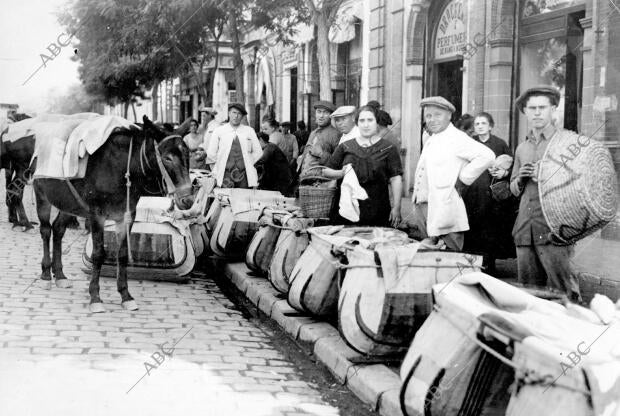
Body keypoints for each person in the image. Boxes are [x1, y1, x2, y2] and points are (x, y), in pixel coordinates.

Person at [510, 86, 581, 301]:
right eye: (532, 108)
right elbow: (513, 189)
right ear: (525, 112)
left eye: (542, 107)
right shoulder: (522, 148)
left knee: (565, 293)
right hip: (525, 228)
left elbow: (580, 186)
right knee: (529, 297)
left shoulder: (568, 142)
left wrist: (547, 174)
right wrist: (520, 178)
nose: (537, 113)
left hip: (554, 229)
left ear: (553, 110)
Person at [411, 96, 495, 251]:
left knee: (450, 255)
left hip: (445, 206)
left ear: (449, 116)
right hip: (425, 204)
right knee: (432, 256)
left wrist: (463, 179)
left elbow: (487, 156)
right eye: (428, 116)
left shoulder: (457, 138)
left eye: (438, 115)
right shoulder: (431, 137)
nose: (432, 120)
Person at [321, 106, 402, 227]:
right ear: (357, 123)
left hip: (378, 208)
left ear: (377, 122)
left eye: (370, 120)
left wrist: (397, 207)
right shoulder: (346, 146)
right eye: (362, 121)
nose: (366, 125)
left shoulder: (388, 148)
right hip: (347, 209)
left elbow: (396, 179)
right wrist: (341, 173)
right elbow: (325, 171)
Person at [463, 112, 517, 275]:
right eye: (477, 124)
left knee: (492, 230)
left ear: (490, 126)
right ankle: (474, 265)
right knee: (474, 229)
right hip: (473, 195)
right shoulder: (470, 144)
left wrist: (503, 173)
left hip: (493, 197)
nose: (480, 126)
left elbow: (512, 165)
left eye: (483, 123)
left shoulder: (499, 144)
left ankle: (490, 265)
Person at [206, 103, 263, 188]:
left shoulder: (249, 131)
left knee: (243, 198)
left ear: (243, 116)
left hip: (244, 175)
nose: (236, 116)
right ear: (229, 113)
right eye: (234, 113)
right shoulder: (219, 131)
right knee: (225, 198)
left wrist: (249, 162)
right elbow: (211, 152)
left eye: (239, 114)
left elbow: (258, 152)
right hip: (225, 174)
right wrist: (220, 163)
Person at [298, 101, 342, 180]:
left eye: (325, 113)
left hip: (321, 184)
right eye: (319, 112)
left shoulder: (336, 134)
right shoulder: (313, 133)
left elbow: (338, 165)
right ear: (315, 114)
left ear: (331, 116)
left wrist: (321, 154)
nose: (321, 116)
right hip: (304, 180)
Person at [255, 132, 293, 196]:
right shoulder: (269, 146)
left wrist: (251, 165)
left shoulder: (269, 147)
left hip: (281, 178)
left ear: (261, 140)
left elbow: (262, 159)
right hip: (278, 177)